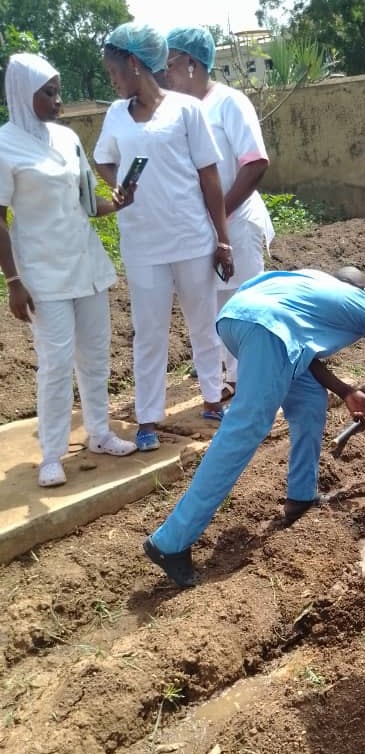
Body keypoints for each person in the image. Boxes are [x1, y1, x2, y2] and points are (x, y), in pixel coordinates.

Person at [143, 267, 365, 587]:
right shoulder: (364, 303)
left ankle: (300, 497)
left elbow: (304, 353)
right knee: (245, 429)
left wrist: (347, 392)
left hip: (238, 319)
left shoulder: (312, 281)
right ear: (363, 290)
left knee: (308, 403)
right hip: (268, 329)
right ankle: (171, 541)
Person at [94, 22, 233, 452]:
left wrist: (222, 238)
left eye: (114, 71)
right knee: (149, 332)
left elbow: (209, 176)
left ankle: (212, 397)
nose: (112, 79)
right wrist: (118, 186)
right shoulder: (116, 115)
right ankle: (148, 417)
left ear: (134, 63)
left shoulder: (185, 110)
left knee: (202, 323)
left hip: (190, 237)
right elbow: (103, 160)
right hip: (141, 244)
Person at [0, 53, 137, 488]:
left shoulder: (67, 138)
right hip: (40, 273)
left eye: (59, 91)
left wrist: (114, 203)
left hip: (86, 263)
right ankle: (52, 454)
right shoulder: (4, 146)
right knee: (56, 362)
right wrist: (13, 281)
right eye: (49, 93)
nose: (59, 101)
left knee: (95, 357)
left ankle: (99, 433)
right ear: (24, 95)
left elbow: (84, 203)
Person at [164, 26, 276, 402]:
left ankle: (257, 383)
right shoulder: (178, 110)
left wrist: (219, 217)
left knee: (245, 305)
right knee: (216, 308)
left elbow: (255, 162)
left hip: (236, 223)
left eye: (172, 63)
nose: (165, 72)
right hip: (201, 230)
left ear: (193, 64)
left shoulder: (228, 102)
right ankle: (234, 379)